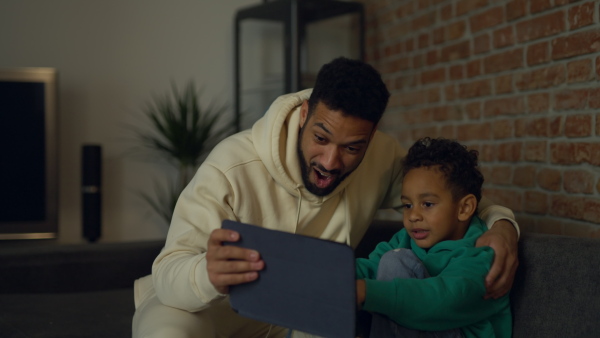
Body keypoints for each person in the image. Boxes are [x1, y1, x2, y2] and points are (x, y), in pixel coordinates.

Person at [132, 57, 519, 338]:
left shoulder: (381, 156)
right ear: (303, 114)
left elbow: (447, 192)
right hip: (213, 310)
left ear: (371, 136)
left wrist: (503, 225)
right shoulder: (229, 167)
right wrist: (207, 273)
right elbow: (168, 272)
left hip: (304, 309)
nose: (331, 161)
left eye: (352, 147)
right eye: (320, 138)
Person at [354, 137, 512, 338]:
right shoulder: (406, 238)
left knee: (395, 262)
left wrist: (367, 292)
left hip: (454, 330)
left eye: (427, 204)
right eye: (407, 205)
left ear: (464, 208)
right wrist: (336, 277)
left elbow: (445, 299)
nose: (413, 216)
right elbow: (369, 267)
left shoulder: (482, 252)